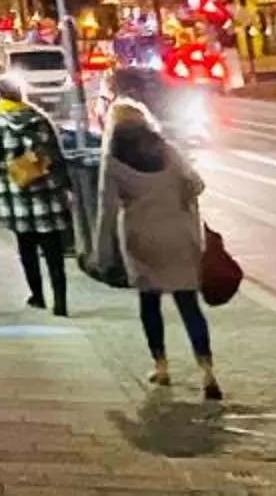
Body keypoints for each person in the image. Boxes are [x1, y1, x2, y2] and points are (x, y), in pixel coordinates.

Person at [91, 94, 223, 400]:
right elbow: (197, 184)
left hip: (142, 238)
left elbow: (106, 209)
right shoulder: (167, 150)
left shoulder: (113, 161)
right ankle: (207, 371)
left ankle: (161, 366)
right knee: (188, 304)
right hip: (180, 235)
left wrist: (102, 254)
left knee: (149, 303)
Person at [0, 78, 74, 313]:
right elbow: (56, 155)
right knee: (53, 251)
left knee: (27, 249)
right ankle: (60, 300)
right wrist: (64, 185)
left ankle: (37, 296)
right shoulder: (40, 119)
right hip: (47, 196)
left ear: (0, 96)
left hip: (17, 197)